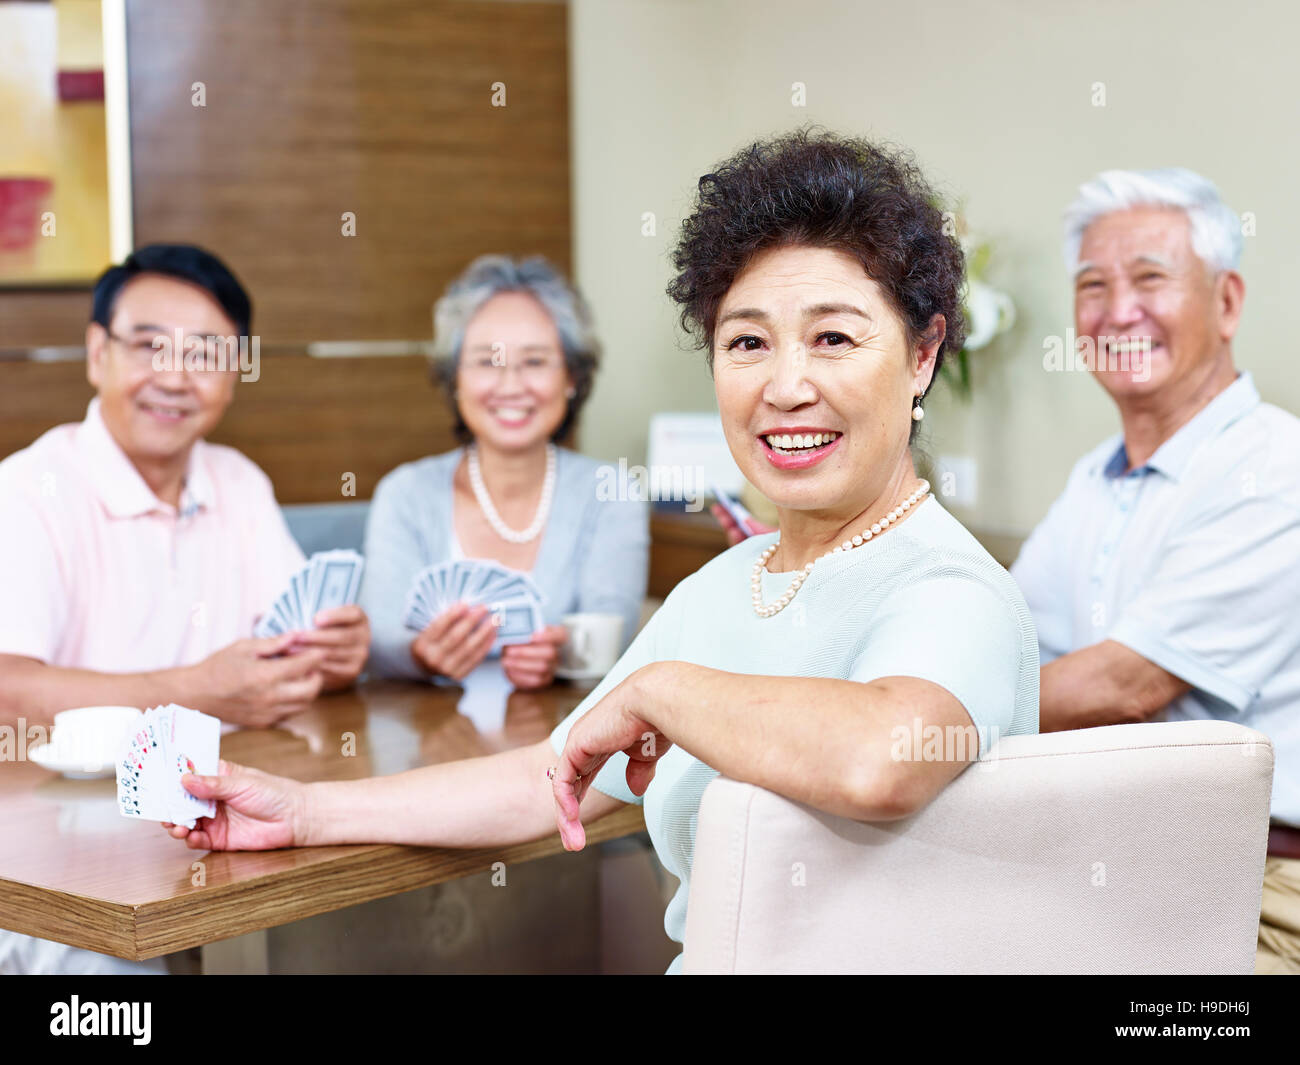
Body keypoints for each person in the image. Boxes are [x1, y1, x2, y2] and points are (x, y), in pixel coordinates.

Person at [166, 130, 1039, 973]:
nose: (784, 386)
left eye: (834, 337)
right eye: (746, 342)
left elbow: (880, 756)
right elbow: (555, 775)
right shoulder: (726, 588)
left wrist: (661, 691)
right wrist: (308, 810)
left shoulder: (951, 587)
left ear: (922, 355)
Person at [0, 244, 370, 974]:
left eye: (205, 353)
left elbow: (288, 649)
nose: (174, 376)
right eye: (147, 346)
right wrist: (195, 688)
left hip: (214, 817)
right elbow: (7, 692)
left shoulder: (238, 482)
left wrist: (335, 653)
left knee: (357, 921)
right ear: (96, 353)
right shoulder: (28, 490)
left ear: (235, 373)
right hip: (52, 851)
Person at [1009, 169, 1300, 974]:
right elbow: (1012, 634)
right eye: (1092, 286)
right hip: (1111, 867)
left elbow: (1124, 684)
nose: (1117, 311)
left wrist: (911, 714)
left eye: (1149, 279)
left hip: (1264, 893)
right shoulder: (1094, 478)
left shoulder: (1276, 468)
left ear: (1228, 302)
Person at [360, 254, 648, 690]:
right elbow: (378, 640)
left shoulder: (612, 492)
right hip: (429, 744)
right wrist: (420, 655)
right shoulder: (405, 493)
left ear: (571, 377)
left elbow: (612, 633)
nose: (511, 385)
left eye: (534, 361)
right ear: (455, 379)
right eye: (486, 361)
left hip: (563, 743)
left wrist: (563, 654)